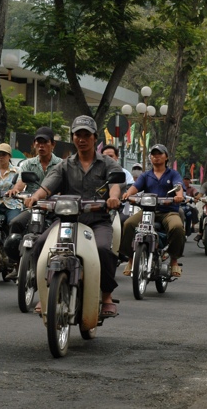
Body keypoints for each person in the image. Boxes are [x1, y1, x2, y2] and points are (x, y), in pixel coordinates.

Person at [25, 115, 122, 317]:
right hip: (68, 221)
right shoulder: (65, 165)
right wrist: (35, 197)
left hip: (97, 222)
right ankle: (44, 293)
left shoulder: (106, 163)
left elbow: (116, 185)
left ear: (95, 138)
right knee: (39, 244)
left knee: (104, 249)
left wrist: (113, 198)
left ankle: (106, 296)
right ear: (73, 137)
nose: (82, 139)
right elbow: (47, 186)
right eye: (78, 135)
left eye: (87, 135)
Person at [119, 144, 185, 277]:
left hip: (168, 211)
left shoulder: (173, 174)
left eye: (159, 154)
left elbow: (178, 186)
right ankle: (131, 259)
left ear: (166, 157)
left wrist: (179, 196)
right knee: (128, 224)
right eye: (154, 154)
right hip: (148, 210)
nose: (156, 157)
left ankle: (174, 260)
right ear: (150, 157)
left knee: (177, 227)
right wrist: (127, 194)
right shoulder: (146, 175)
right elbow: (135, 188)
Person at [4, 127, 62, 268]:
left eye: (45, 142)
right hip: (34, 208)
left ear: (53, 144)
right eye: (38, 142)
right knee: (15, 223)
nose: (41, 146)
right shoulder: (28, 164)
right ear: (34, 145)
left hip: (55, 209)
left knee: (62, 230)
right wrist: (14, 190)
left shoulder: (61, 164)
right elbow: (21, 182)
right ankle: (16, 263)